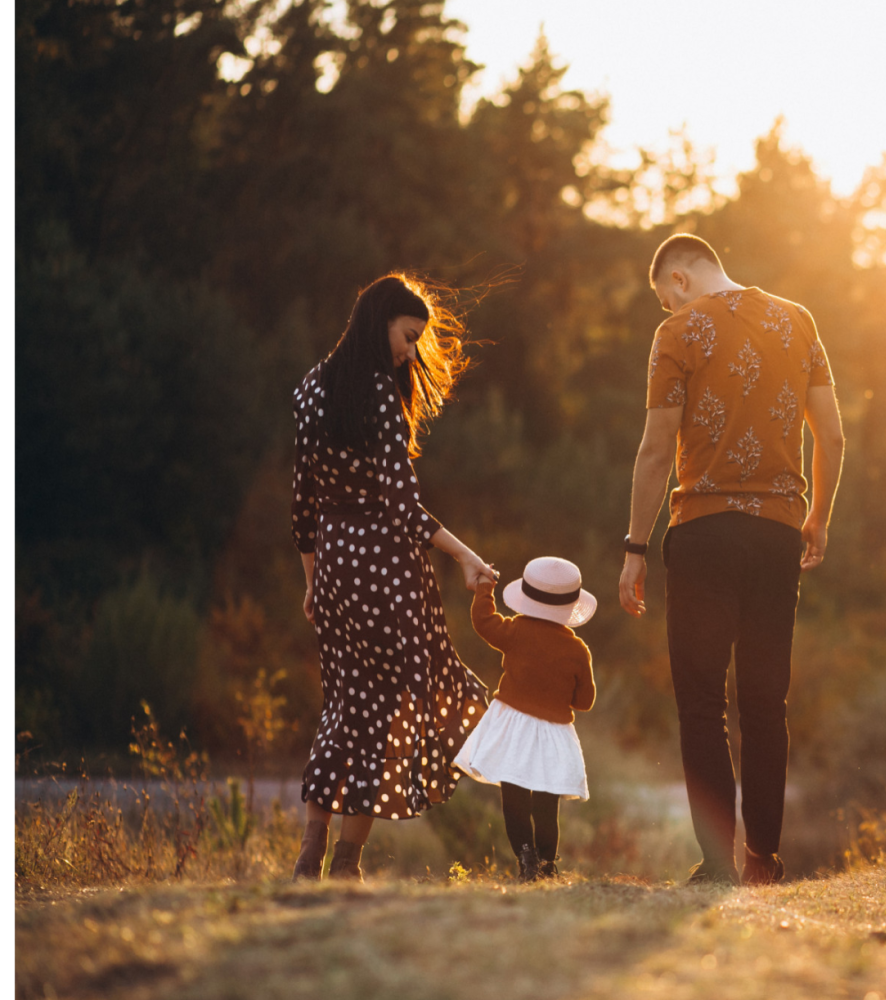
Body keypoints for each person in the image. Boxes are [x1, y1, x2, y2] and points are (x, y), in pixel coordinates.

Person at [618, 234, 846, 885]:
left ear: (680, 281)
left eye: (665, 296)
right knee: (765, 702)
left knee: (700, 703)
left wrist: (635, 546)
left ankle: (718, 864)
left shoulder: (677, 333)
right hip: (777, 535)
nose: (666, 306)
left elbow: (656, 448)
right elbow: (830, 433)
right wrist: (819, 518)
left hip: (703, 535)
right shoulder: (798, 320)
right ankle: (764, 862)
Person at [291, 274, 497, 881]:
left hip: (333, 564)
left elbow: (303, 502)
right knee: (387, 710)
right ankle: (347, 864)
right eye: (408, 337)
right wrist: (462, 554)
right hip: (385, 569)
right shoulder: (380, 393)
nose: (411, 352)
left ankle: (312, 851)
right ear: (379, 320)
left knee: (345, 705)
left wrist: (312, 581)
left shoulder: (309, 388)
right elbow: (403, 510)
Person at [454, 556, 597, 881]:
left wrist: (485, 589)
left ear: (528, 596)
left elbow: (483, 622)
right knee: (547, 804)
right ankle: (548, 864)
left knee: (514, 799)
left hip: (512, 727)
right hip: (553, 734)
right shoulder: (578, 650)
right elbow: (585, 701)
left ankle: (525, 858)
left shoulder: (516, 628)